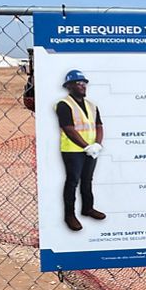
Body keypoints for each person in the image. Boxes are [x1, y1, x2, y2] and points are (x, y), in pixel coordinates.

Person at [56, 70, 105, 230]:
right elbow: (69, 129)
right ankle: (69, 215)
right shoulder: (64, 105)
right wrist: (86, 146)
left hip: (92, 150)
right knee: (72, 182)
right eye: (78, 83)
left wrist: (97, 144)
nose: (82, 85)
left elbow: (99, 126)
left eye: (84, 83)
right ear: (69, 86)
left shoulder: (92, 105)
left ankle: (88, 208)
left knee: (87, 180)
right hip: (72, 151)